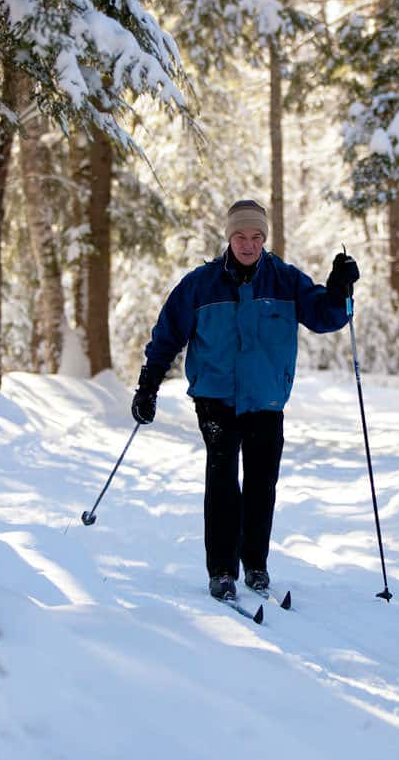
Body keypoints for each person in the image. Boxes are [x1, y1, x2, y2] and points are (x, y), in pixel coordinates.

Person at [132, 199, 359, 601]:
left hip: (267, 399)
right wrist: (148, 383)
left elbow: (326, 317)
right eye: (240, 236)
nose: (248, 244)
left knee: (260, 483)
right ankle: (221, 570)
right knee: (222, 482)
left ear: (264, 239)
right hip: (216, 398)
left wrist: (339, 287)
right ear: (228, 237)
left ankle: (255, 564)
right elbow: (168, 334)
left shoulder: (285, 281)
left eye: (256, 237)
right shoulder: (200, 284)